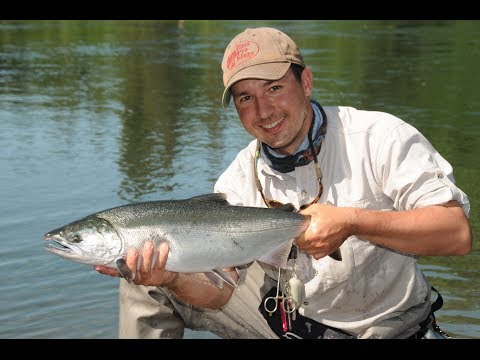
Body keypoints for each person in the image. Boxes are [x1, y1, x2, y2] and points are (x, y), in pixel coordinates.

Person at [95, 27, 472, 339]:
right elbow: (220, 293)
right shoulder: (238, 178)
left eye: (274, 88)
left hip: (390, 328)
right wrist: (172, 278)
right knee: (145, 279)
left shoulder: (380, 137)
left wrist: (354, 222)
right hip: (285, 322)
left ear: (305, 82)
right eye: (246, 97)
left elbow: (455, 234)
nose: (264, 111)